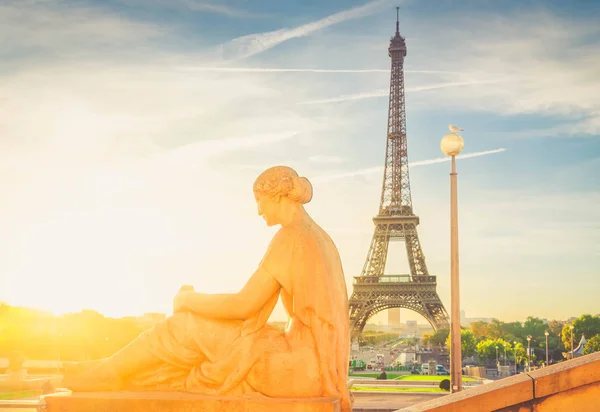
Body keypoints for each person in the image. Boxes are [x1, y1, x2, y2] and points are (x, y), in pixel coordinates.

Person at [62, 166, 352, 411]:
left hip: (294, 370)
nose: (258, 210)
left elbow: (242, 306)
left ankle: (109, 374)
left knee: (182, 327)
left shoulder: (290, 238)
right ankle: (110, 369)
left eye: (259, 199)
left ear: (276, 197)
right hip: (313, 367)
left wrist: (187, 299)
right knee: (201, 339)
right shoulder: (319, 237)